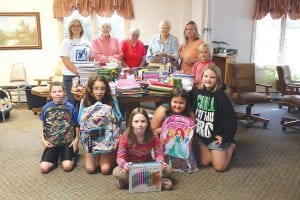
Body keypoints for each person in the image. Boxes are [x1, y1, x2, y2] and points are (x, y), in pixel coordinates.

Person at [190, 64, 236, 172]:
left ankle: (232, 145)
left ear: (217, 79)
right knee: (205, 162)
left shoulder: (221, 96)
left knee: (219, 168)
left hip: (216, 136)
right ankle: (214, 151)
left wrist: (226, 137)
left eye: (212, 77)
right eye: (206, 76)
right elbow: (190, 108)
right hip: (202, 135)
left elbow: (231, 119)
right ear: (202, 77)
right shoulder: (197, 91)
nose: (208, 80)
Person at [113, 107, 172, 189]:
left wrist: (160, 162)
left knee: (168, 169)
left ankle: (131, 182)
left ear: (148, 122)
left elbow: (158, 154)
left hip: (148, 164)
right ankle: (157, 182)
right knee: (116, 172)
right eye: (136, 122)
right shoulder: (125, 136)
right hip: (131, 166)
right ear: (132, 123)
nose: (140, 125)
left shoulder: (153, 135)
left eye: (143, 121)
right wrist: (125, 165)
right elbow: (119, 158)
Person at [78, 74, 122, 174]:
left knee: (105, 170)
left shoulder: (112, 101)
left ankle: (113, 152)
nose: (99, 92)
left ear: (106, 89)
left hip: (107, 138)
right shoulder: (84, 102)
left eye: (102, 89)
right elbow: (80, 121)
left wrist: (111, 116)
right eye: (96, 88)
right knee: (91, 169)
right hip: (91, 139)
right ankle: (97, 155)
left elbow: (119, 120)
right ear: (90, 89)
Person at [151, 89, 198, 172]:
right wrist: (168, 129)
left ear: (186, 103)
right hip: (163, 142)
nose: (177, 105)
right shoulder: (162, 110)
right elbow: (152, 130)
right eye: (175, 102)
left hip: (181, 143)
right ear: (170, 101)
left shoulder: (189, 113)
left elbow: (192, 130)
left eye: (181, 103)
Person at [40, 81, 79, 173]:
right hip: (52, 142)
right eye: (54, 92)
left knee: (67, 167)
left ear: (65, 92)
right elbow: (43, 126)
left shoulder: (71, 107)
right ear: (50, 93)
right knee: (43, 168)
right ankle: (57, 156)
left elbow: (77, 124)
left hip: (67, 142)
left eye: (60, 91)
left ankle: (70, 155)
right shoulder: (45, 108)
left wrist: (76, 139)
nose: (57, 94)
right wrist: (43, 140)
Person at [60, 19, 92, 107]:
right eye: (73, 26)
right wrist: (77, 72)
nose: (76, 28)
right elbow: (65, 60)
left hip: (85, 77)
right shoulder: (66, 42)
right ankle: (72, 121)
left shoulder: (87, 43)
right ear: (70, 28)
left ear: (81, 28)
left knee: (85, 101)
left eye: (78, 26)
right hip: (70, 76)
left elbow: (90, 60)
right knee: (72, 102)